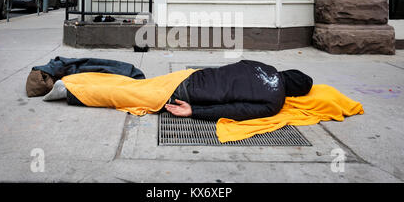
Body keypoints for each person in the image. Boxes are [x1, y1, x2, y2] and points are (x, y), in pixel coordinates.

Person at [42, 60, 313, 122]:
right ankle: (71, 90)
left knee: (133, 87)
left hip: (189, 77)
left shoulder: (263, 65)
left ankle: (75, 80)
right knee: (123, 96)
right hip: (187, 95)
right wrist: (194, 111)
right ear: (294, 93)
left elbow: (230, 69)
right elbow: (235, 111)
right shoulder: (275, 101)